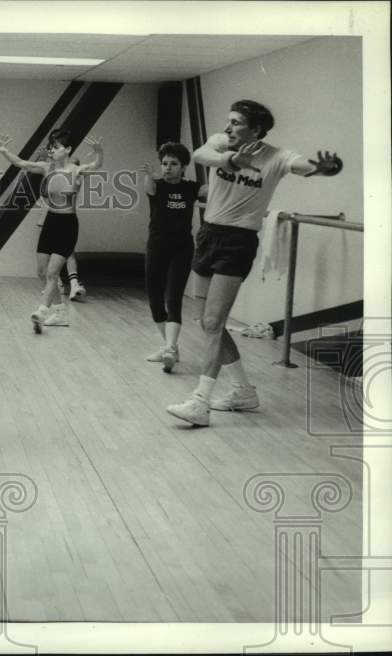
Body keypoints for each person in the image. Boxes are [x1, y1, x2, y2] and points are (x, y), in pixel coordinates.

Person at [165, 100, 342, 426]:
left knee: (215, 321)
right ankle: (243, 390)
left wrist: (326, 168)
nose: (229, 127)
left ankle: (200, 403)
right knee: (206, 322)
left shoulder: (276, 157)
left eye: (236, 123)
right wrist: (228, 159)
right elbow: (199, 155)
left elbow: (305, 166)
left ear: (256, 130)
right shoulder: (221, 142)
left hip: (236, 242)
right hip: (207, 235)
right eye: (229, 121)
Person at [0, 129, 103, 331]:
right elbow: (21, 163)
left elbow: (96, 165)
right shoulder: (47, 167)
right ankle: (60, 312)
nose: (51, 150)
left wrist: (99, 152)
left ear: (68, 149)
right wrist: (4, 151)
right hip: (50, 222)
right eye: (50, 147)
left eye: (56, 147)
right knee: (41, 271)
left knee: (53, 273)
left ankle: (41, 311)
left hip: (67, 225)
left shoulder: (76, 170)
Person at [139, 142, 207, 372]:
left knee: (173, 298)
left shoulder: (192, 188)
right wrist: (149, 175)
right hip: (157, 248)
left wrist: (226, 165)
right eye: (164, 163)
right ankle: (171, 346)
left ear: (183, 166)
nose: (167, 168)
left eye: (173, 164)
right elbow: (148, 188)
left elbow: (215, 190)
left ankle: (168, 348)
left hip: (182, 249)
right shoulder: (156, 185)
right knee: (155, 299)